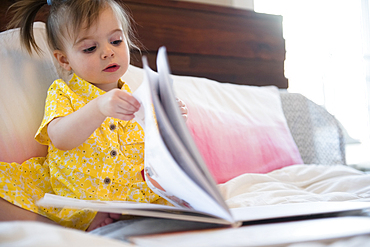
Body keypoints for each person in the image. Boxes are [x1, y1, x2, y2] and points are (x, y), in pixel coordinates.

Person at [0, 0, 188, 231]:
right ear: (64, 60)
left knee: (182, 199)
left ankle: (109, 220)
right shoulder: (64, 93)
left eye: (116, 41)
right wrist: (99, 107)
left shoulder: (139, 98)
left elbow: (159, 155)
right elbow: (59, 138)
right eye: (90, 48)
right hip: (72, 196)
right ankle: (59, 228)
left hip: (129, 200)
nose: (108, 52)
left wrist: (173, 123)